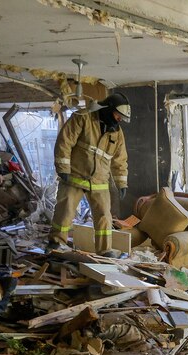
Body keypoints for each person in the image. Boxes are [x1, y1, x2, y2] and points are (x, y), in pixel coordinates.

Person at [49, 93, 130, 255]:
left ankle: (104, 250)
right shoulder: (83, 118)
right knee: (65, 213)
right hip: (74, 178)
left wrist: (122, 183)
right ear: (108, 109)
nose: (119, 119)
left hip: (99, 182)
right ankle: (56, 243)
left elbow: (120, 160)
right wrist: (63, 168)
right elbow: (65, 142)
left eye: (122, 117)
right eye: (117, 115)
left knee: (104, 218)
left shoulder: (117, 133)